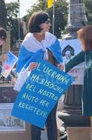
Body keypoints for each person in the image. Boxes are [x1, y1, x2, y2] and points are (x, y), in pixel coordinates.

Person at [58, 25, 92, 140]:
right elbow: (73, 61)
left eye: (81, 38)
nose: (80, 41)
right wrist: (60, 71)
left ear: (88, 38)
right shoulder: (88, 50)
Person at [16, 11, 62, 140]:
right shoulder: (28, 42)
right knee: (36, 118)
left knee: (52, 118)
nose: (49, 24)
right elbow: (22, 65)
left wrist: (60, 64)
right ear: (39, 24)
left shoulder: (52, 39)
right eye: (47, 22)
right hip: (36, 84)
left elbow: (59, 58)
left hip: (51, 82)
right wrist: (28, 67)